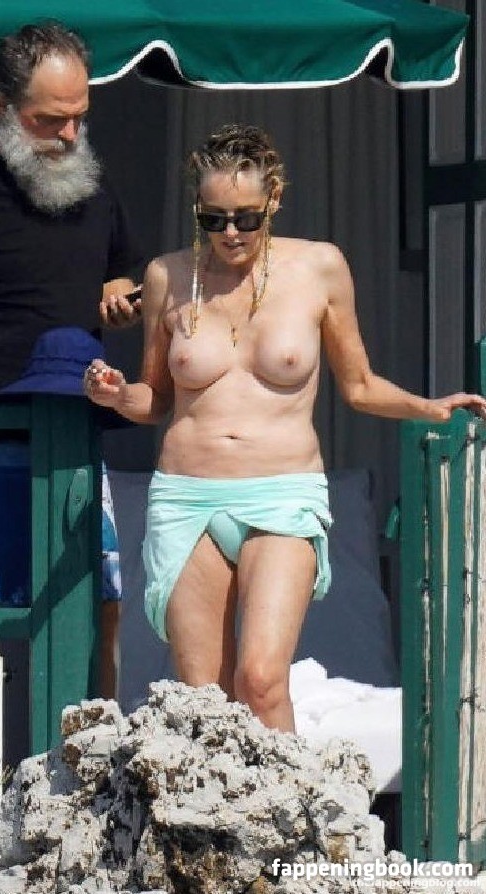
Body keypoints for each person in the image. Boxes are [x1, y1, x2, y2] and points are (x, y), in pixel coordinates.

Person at [85, 123, 486, 732]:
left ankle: (291, 800)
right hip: (187, 494)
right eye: (213, 218)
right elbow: (156, 398)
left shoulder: (319, 267)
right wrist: (118, 396)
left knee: (261, 680)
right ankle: (208, 801)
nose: (230, 233)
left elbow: (359, 385)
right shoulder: (168, 275)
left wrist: (431, 408)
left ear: (273, 199)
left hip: (282, 491)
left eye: (245, 218)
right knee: (202, 700)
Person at [0, 21, 143, 698]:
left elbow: (121, 268)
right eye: (50, 120)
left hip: (71, 432)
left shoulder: (89, 181)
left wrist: (121, 297)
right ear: (2, 106)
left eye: (79, 116)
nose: (70, 135)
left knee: (99, 602)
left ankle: (95, 750)